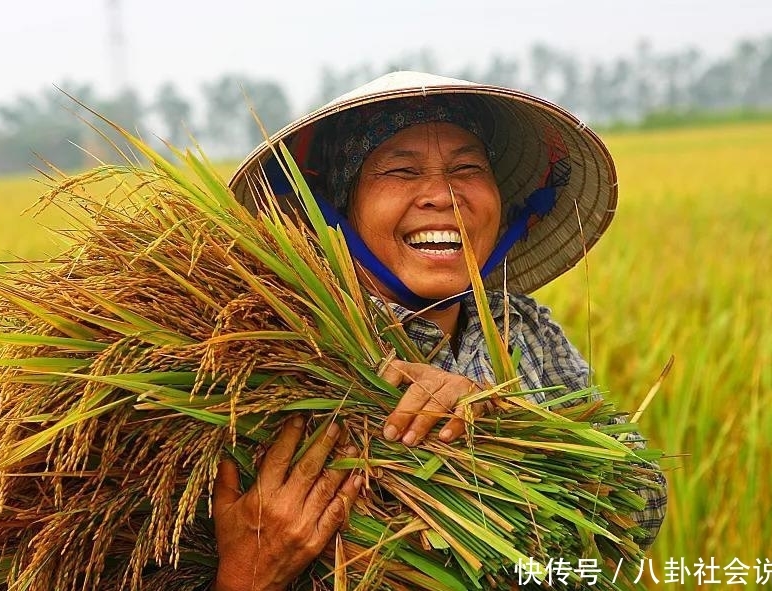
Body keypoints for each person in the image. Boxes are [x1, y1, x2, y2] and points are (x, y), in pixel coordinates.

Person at [213, 71, 668, 591]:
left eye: (467, 167)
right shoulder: (283, 355)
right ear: (338, 211)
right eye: (401, 169)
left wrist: (501, 416)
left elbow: (642, 499)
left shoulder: (524, 328)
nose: (442, 195)